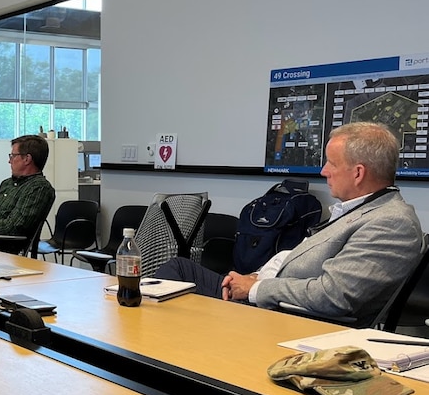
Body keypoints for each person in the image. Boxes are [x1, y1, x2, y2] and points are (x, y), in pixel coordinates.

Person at [156, 121, 424, 327]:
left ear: (358, 173)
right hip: (268, 296)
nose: (324, 171)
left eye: (331, 163)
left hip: (281, 317)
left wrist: (256, 288)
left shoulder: (391, 223)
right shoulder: (361, 209)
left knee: (170, 287)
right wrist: (255, 277)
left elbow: (333, 296)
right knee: (178, 270)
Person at [0, 135, 56, 245]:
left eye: (13, 156)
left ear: (27, 159)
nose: (9, 161)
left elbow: (14, 226)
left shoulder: (39, 188)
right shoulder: (7, 183)